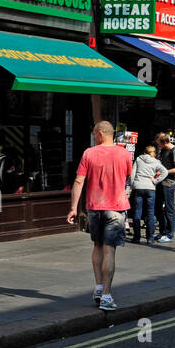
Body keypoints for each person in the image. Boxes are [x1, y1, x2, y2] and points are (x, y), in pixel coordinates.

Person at [67, 121, 131, 311]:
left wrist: (73, 208)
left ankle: (99, 288)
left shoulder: (89, 153)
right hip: (116, 208)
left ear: (101, 134)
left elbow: (79, 181)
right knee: (109, 250)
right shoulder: (124, 153)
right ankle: (106, 296)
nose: (93, 137)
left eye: (94, 134)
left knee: (97, 246)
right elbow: (128, 177)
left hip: (94, 207)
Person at [129, 144, 166, 244]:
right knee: (150, 213)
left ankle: (136, 237)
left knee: (137, 212)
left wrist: (132, 185)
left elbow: (133, 173)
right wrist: (156, 181)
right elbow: (165, 172)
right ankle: (150, 238)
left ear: (145, 152)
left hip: (138, 187)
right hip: (150, 188)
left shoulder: (139, 159)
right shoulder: (156, 162)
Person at [154, 133, 175, 243]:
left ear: (164, 142)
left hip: (169, 183)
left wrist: (164, 172)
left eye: (159, 144)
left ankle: (170, 233)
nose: (158, 146)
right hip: (161, 182)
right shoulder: (163, 150)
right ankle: (162, 231)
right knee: (159, 208)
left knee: (169, 209)